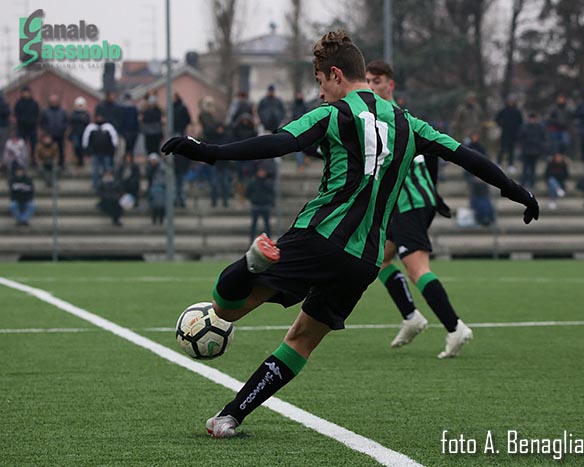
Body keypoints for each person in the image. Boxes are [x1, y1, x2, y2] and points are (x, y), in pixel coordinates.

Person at [161, 30, 539, 438]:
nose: (321, 93)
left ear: (335, 75)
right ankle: (229, 417)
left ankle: (253, 262)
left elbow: (278, 143)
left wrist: (209, 152)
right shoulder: (409, 123)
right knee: (301, 341)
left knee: (225, 308)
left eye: (321, 82)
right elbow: (468, 157)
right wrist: (517, 192)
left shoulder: (332, 115)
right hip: (364, 260)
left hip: (318, 235)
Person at [366, 59, 473, 357]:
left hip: (408, 203)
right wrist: (433, 193)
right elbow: (431, 153)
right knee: (379, 258)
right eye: (368, 81)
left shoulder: (385, 119)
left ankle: (455, 327)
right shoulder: (395, 117)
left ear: (390, 85)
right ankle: (411, 317)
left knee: (417, 269)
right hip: (410, 202)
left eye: (377, 81)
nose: (371, 86)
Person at [83, 113, 119, 190]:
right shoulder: (91, 128)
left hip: (106, 152)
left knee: (107, 169)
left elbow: (114, 140)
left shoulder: (108, 127)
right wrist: (87, 151)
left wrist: (113, 149)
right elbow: (86, 140)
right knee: (95, 170)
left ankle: (107, 185)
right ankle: (95, 185)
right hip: (95, 153)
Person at [518, 112, 547, 191]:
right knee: (525, 168)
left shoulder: (539, 127)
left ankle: (532, 184)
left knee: (533, 169)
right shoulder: (525, 127)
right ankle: (524, 183)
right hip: (527, 150)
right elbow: (520, 137)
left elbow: (543, 138)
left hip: (535, 151)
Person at [246, 165, 275, 242]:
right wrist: (253, 198)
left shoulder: (268, 182)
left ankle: (268, 240)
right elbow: (247, 192)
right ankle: (252, 240)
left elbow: (272, 192)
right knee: (254, 225)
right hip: (256, 205)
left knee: (267, 225)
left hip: (265, 205)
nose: (261, 173)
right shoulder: (253, 182)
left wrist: (270, 201)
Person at [495, 95, 523, 174]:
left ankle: (511, 165)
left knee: (512, 151)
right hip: (505, 133)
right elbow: (497, 119)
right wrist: (502, 124)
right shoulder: (503, 111)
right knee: (502, 149)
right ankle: (499, 163)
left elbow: (521, 122)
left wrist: (518, 132)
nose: (511, 102)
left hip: (514, 134)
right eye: (509, 101)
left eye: (512, 101)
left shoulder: (517, 111)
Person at [40, 94, 69, 169]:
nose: (54, 102)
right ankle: (48, 165)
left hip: (60, 134)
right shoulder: (46, 111)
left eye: (55, 101)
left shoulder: (62, 111)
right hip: (49, 134)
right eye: (52, 101)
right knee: (48, 151)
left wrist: (63, 129)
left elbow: (66, 122)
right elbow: (42, 122)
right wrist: (46, 131)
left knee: (61, 150)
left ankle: (61, 165)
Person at [13, 86, 39, 166]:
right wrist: (22, 120)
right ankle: (21, 162)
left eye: (27, 92)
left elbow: (37, 114)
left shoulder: (34, 103)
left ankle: (33, 161)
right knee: (21, 146)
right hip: (21, 128)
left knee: (33, 145)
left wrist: (32, 121)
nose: (26, 94)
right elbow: (16, 114)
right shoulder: (18, 103)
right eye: (24, 92)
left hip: (32, 128)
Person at [68, 97, 90, 167]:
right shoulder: (73, 113)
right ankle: (76, 160)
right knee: (76, 147)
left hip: (84, 134)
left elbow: (87, 122)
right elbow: (71, 121)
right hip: (75, 133)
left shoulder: (86, 114)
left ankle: (81, 161)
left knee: (82, 148)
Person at [0, 92, 10, 158]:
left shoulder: (4, 103)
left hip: (3, 126)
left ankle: (2, 159)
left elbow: (7, 112)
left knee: (3, 144)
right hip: (4, 126)